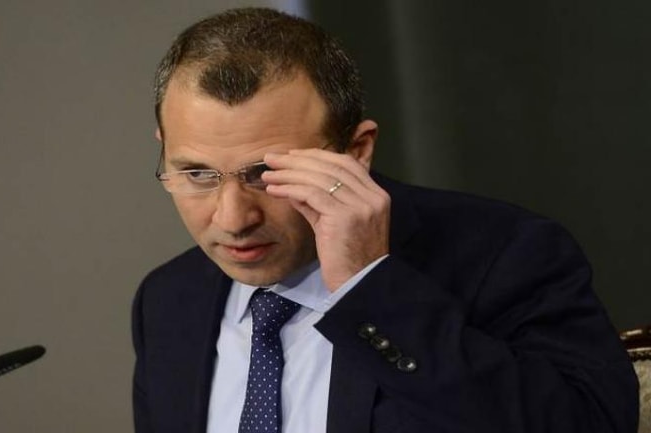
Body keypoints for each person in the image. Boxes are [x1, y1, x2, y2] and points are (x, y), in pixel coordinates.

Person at [132, 7, 638, 433]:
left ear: (356, 151)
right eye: (196, 173)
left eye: (267, 174)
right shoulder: (168, 299)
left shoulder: (509, 254)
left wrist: (369, 285)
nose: (233, 218)